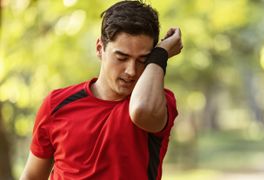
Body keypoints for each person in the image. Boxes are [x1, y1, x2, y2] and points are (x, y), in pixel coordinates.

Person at [20, 0, 183, 180]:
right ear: (100, 48)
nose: (131, 71)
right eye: (121, 57)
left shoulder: (159, 103)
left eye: (142, 60)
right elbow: (32, 176)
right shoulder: (57, 104)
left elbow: (142, 109)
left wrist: (161, 53)